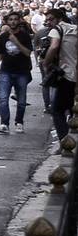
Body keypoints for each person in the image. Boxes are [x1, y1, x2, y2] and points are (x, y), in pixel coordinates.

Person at [0, 11, 34, 134]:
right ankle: (4, 123)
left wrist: (16, 41)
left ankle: (19, 122)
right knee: (3, 98)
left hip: (22, 72)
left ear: (19, 21)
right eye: (11, 19)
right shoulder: (3, 37)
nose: (13, 21)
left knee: (22, 100)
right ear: (7, 22)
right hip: (6, 71)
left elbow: (27, 53)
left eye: (15, 19)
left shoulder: (24, 36)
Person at [44, 7, 77, 141]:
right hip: (74, 74)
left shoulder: (56, 30)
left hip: (66, 75)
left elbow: (54, 46)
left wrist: (46, 63)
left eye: (51, 19)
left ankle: (65, 141)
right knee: (70, 107)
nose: (49, 22)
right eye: (47, 20)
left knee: (57, 110)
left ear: (59, 19)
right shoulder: (75, 29)